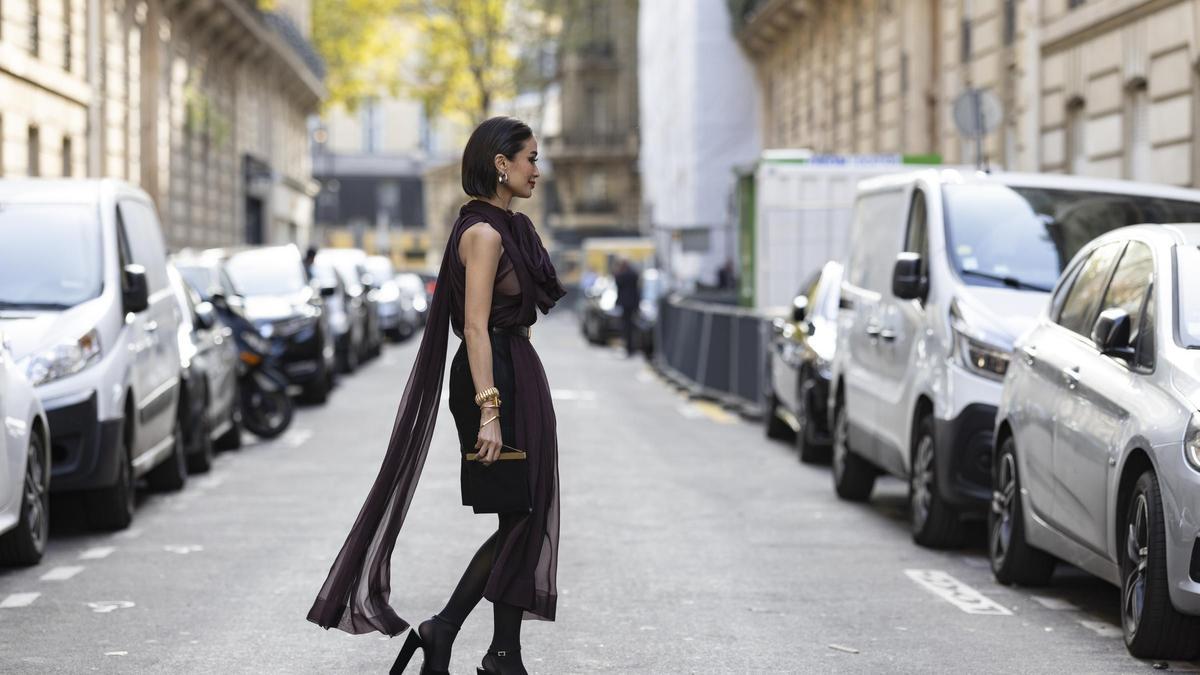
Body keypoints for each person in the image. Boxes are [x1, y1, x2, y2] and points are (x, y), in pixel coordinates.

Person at [306, 117, 565, 675]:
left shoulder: (512, 228)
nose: (536, 171)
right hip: (490, 376)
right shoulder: (482, 233)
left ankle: (501, 653)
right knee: (519, 515)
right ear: (502, 164)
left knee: (521, 513)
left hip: (519, 368)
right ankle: (447, 630)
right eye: (530, 160)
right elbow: (473, 327)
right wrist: (489, 411)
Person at [613, 258, 641, 356]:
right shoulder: (633, 274)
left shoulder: (622, 275)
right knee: (631, 326)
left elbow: (617, 282)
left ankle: (629, 347)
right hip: (633, 303)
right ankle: (631, 347)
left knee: (626, 326)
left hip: (626, 304)